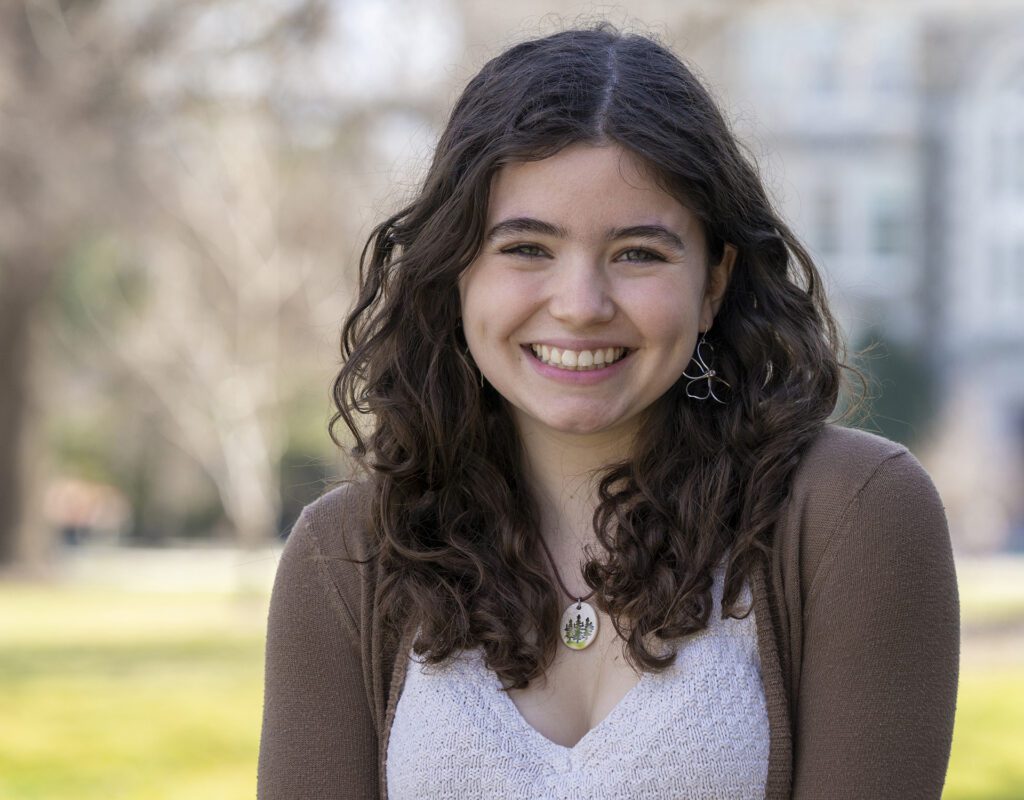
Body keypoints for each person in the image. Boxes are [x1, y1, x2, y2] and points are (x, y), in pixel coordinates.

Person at [257, 22, 959, 800]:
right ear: (456, 271)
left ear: (715, 283)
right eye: (526, 248)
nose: (581, 305)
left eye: (638, 253)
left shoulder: (853, 517)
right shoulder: (343, 558)